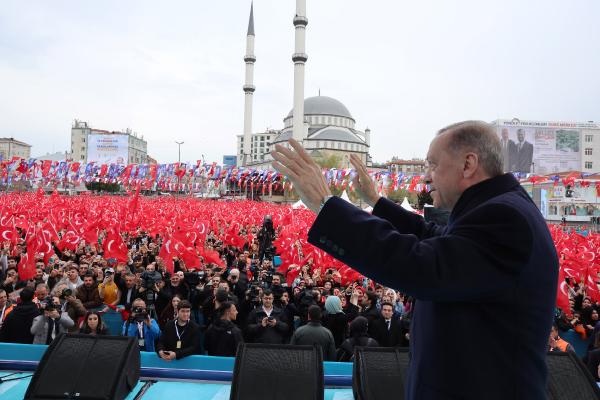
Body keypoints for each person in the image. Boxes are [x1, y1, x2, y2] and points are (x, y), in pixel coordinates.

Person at [271, 121, 558, 400]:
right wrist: (376, 202)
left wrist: (327, 204)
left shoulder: (504, 219)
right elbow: (432, 235)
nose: (425, 177)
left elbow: (422, 264)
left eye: (433, 164)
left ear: (468, 164)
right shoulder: (496, 209)